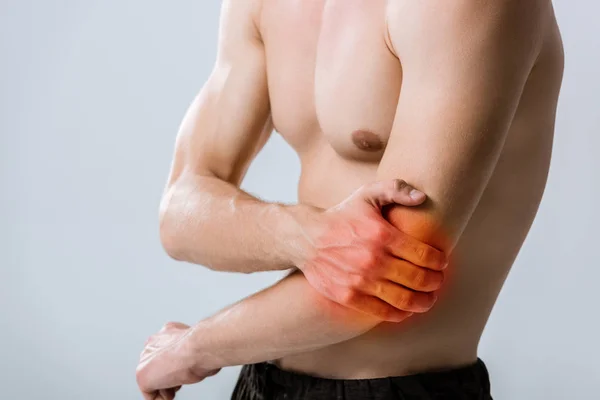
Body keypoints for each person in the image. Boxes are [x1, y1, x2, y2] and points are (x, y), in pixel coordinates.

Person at [136, 0, 564, 399]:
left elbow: (385, 278)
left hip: (403, 389)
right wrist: (304, 236)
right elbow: (178, 213)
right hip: (260, 379)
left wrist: (192, 350)